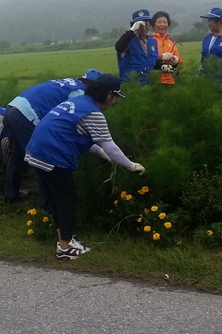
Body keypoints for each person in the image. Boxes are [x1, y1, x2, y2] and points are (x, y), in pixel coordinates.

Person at [24, 74, 145, 260]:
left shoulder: (80, 102)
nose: (114, 103)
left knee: (59, 200)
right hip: (51, 155)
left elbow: (79, 134)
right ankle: (65, 248)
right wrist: (131, 166)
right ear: (110, 95)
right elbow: (110, 146)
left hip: (36, 152)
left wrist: (100, 153)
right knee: (67, 200)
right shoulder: (93, 113)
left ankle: (63, 240)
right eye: (115, 98)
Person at [3, 69, 104, 203]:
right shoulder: (79, 92)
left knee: (15, 156)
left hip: (12, 108)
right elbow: (79, 122)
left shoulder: (69, 82)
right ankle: (48, 204)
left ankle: (11, 195)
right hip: (25, 115)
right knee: (39, 159)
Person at [115, 9, 159, 84]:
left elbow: (153, 63)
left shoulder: (153, 41)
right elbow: (119, 48)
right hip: (131, 86)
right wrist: (131, 31)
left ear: (150, 25)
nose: (143, 27)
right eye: (140, 25)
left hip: (149, 84)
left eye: (146, 23)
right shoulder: (128, 40)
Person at [199, 7, 222, 79]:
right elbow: (203, 60)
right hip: (208, 83)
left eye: (210, 20)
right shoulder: (207, 39)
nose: (208, 24)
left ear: (220, 20)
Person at [151, 11, 182, 85]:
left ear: (168, 24)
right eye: (159, 22)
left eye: (165, 22)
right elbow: (147, 59)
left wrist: (176, 60)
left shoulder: (171, 42)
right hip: (154, 81)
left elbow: (179, 61)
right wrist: (160, 58)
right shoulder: (149, 40)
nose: (162, 25)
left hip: (170, 81)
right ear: (153, 25)